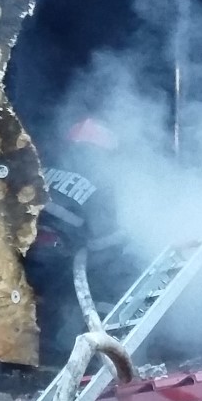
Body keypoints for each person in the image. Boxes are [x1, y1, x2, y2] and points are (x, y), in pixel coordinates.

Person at [31, 118, 130, 363]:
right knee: (118, 275)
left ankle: (43, 347)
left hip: (24, 259)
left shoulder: (43, 171)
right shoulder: (99, 187)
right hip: (55, 266)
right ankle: (104, 355)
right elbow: (106, 244)